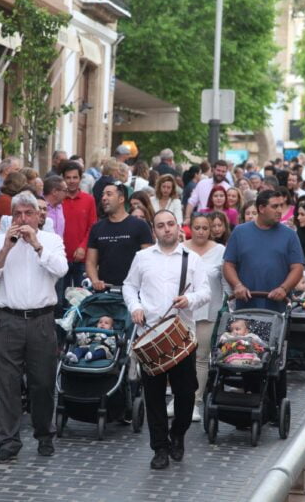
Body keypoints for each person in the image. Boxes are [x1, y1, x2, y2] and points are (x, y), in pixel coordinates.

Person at [0, 191, 68, 463]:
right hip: (9, 320)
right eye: (17, 214)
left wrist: (37, 246)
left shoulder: (51, 240)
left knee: (42, 384)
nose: (22, 219)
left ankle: (44, 434)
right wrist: (7, 247)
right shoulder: (0, 240)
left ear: (37, 216)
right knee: (6, 383)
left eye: (27, 213)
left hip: (42, 320)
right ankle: (8, 441)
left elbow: (62, 269)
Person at [123, 210, 211, 470]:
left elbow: (205, 291)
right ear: (154, 230)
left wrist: (190, 299)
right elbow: (129, 286)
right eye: (161, 226)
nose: (166, 229)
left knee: (186, 392)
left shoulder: (191, 259)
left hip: (181, 334)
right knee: (154, 395)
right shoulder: (142, 258)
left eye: (170, 224)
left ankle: (178, 434)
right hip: (149, 333)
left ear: (177, 227)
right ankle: (159, 447)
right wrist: (134, 307)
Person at [223, 190, 305, 313]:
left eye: (281, 206)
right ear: (261, 208)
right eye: (274, 206)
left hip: (278, 308)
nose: (279, 210)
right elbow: (228, 265)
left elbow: (298, 267)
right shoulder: (239, 232)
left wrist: (284, 288)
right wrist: (237, 285)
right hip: (245, 306)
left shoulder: (290, 235)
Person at [183, 213, 226, 422]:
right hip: (183, 311)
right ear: (191, 228)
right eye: (197, 227)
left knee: (201, 357)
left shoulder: (220, 251)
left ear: (211, 230)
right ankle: (178, 398)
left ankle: (195, 401)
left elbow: (226, 281)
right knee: (180, 358)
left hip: (208, 311)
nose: (201, 231)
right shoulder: (181, 248)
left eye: (205, 228)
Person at [85, 182, 153, 290]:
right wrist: (95, 281)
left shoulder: (140, 225)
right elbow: (90, 261)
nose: (104, 198)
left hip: (133, 293)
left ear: (121, 199)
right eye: (103, 195)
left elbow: (150, 260)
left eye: (109, 194)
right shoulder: (97, 228)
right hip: (104, 292)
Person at [61, 162, 97, 290]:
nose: (71, 181)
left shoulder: (89, 200)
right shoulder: (58, 200)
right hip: (60, 257)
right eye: (68, 177)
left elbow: (92, 227)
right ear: (63, 179)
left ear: (80, 179)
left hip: (81, 257)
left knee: (81, 298)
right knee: (60, 301)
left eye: (75, 177)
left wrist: (83, 247)